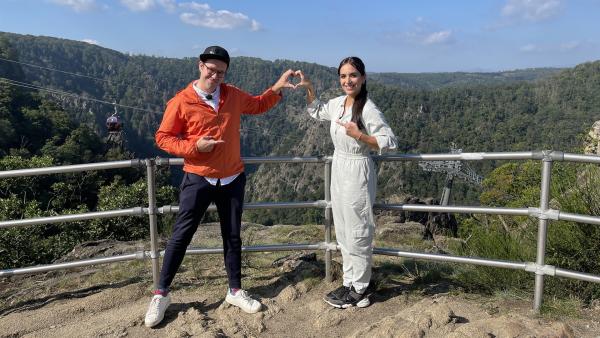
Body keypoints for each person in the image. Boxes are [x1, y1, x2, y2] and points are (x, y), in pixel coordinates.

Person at [145, 45, 297, 327]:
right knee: (181, 236)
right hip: (198, 177)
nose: (215, 76)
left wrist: (276, 88)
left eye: (221, 72)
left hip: (232, 178)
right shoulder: (181, 101)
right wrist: (194, 147)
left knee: (232, 236)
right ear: (200, 66)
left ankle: (235, 290)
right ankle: (161, 293)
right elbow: (163, 137)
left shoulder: (232, 95)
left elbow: (258, 104)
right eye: (211, 69)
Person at [297, 56, 397, 308]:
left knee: (358, 230)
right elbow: (317, 111)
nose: (347, 80)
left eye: (353, 75)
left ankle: (361, 287)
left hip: (357, 169)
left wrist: (360, 135)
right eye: (343, 76)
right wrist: (309, 88)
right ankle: (349, 281)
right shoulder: (339, 103)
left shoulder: (368, 108)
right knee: (342, 228)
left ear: (363, 78)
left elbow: (390, 141)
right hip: (340, 166)